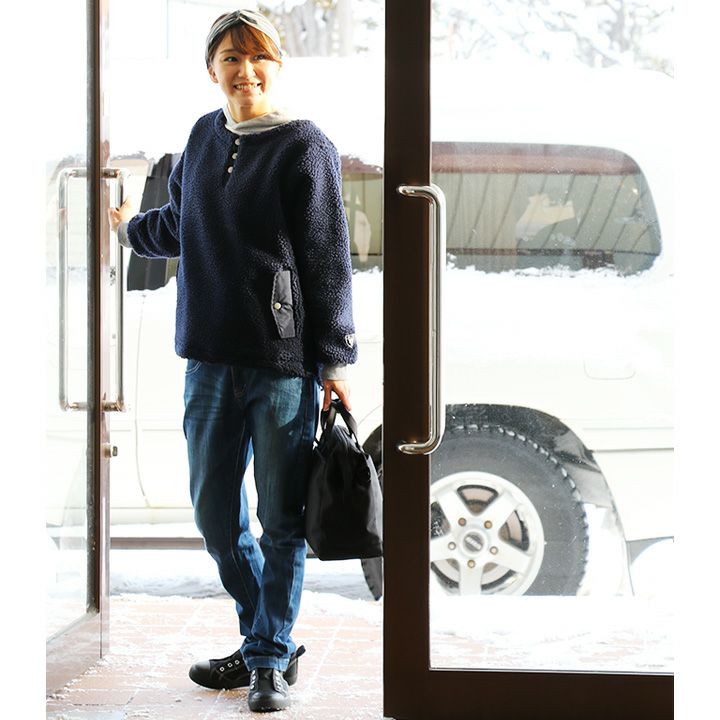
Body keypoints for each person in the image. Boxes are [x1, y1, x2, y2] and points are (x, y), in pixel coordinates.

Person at [109, 9, 356, 713]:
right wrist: (126, 229)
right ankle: (264, 643)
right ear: (212, 69)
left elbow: (327, 261)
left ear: (277, 65)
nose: (245, 71)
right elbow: (181, 225)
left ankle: (269, 659)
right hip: (208, 361)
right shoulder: (201, 136)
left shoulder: (305, 146)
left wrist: (334, 364)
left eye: (258, 57)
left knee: (279, 519)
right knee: (216, 517)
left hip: (282, 368)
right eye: (230, 58)